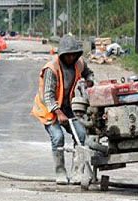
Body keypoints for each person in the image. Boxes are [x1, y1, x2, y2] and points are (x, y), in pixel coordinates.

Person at [31, 34, 94, 185]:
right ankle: (60, 172)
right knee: (58, 137)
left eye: (74, 54)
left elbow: (89, 73)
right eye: (68, 55)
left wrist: (89, 81)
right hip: (48, 109)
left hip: (68, 107)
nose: (71, 58)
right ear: (62, 55)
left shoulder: (79, 64)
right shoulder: (51, 69)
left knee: (80, 134)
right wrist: (58, 112)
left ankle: (77, 172)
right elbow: (48, 95)